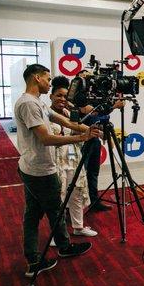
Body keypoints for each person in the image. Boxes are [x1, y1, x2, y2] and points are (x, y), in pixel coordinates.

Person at [14, 64, 99, 278]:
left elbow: (59, 119)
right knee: (55, 211)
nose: (50, 82)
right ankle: (60, 248)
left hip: (35, 167)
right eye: (47, 78)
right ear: (36, 77)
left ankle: (36, 257)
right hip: (39, 169)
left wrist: (85, 129)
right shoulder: (28, 104)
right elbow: (46, 138)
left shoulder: (37, 103)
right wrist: (80, 137)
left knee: (33, 214)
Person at [49, 76, 97, 239]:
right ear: (51, 96)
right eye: (58, 95)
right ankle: (58, 235)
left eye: (65, 96)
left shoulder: (70, 113)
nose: (62, 99)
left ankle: (78, 226)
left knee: (77, 192)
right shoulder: (45, 115)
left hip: (73, 158)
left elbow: (77, 128)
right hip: (55, 161)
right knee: (58, 198)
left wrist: (92, 131)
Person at [77, 71, 124, 212]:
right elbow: (91, 112)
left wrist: (105, 134)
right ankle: (73, 207)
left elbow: (102, 114)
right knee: (80, 174)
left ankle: (93, 201)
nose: (90, 79)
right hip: (81, 140)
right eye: (85, 76)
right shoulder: (78, 98)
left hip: (95, 139)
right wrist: (115, 106)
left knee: (93, 172)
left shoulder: (96, 96)